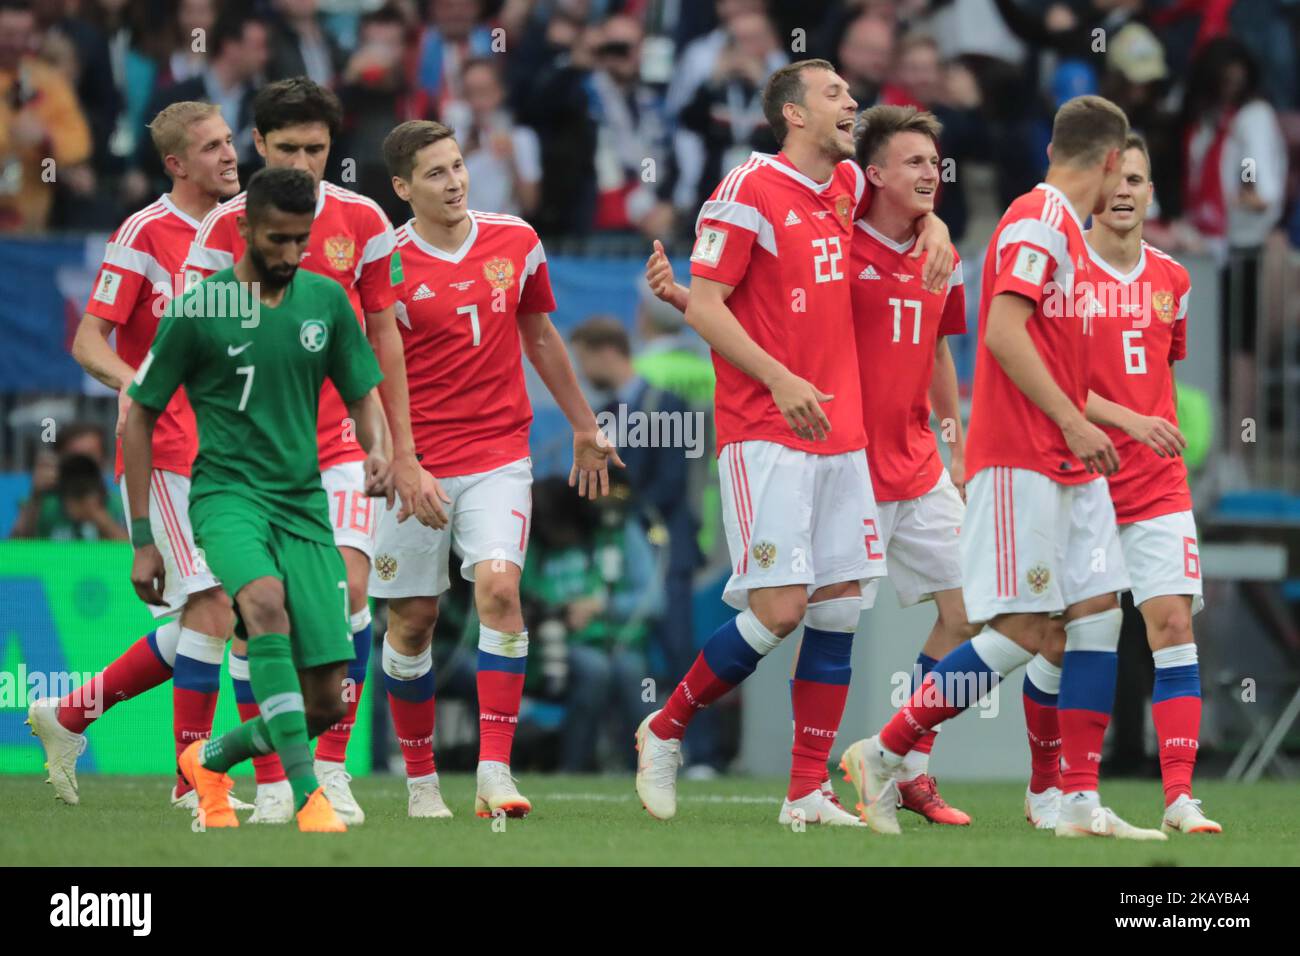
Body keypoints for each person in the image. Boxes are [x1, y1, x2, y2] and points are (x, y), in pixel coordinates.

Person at [842, 95, 1173, 841]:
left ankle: (1079, 802)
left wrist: (1084, 423)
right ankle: (885, 748)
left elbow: (1056, 353)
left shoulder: (1069, 236)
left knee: (1096, 617)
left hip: (1068, 460)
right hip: (1022, 458)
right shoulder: (1038, 217)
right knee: (1022, 629)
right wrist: (1069, 419)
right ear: (1112, 160)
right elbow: (999, 330)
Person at [633, 58, 953, 827]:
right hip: (767, 432)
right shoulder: (746, 190)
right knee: (778, 610)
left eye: (850, 90)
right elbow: (710, 307)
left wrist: (937, 221)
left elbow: (911, 195)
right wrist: (778, 377)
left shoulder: (845, 189)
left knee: (839, 607)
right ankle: (665, 727)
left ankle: (806, 790)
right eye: (835, 94)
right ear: (793, 115)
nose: (852, 101)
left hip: (841, 437)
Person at [184, 77, 442, 826]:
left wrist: (395, 445)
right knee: (257, 612)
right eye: (289, 146)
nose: (305, 159)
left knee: (349, 591)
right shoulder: (222, 232)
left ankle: (327, 771)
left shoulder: (363, 220)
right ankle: (266, 779)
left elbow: (385, 333)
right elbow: (203, 348)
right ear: (257, 146)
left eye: (318, 148)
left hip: (337, 443)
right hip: (249, 460)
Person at [124, 166, 392, 834]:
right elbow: (139, 414)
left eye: (300, 240)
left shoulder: (326, 302)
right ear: (243, 229)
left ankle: (209, 758)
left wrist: (378, 446)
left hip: (302, 503)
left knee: (328, 698)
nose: (289, 254)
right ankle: (308, 800)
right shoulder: (198, 308)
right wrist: (141, 538)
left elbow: (363, 389)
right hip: (227, 496)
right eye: (276, 239)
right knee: (264, 606)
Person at [369, 119, 621, 819]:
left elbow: (539, 336)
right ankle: (420, 783)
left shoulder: (516, 240)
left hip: (497, 456)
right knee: (414, 623)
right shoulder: (382, 262)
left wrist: (582, 426)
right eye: (435, 174)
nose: (454, 183)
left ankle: (493, 774)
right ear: (401, 188)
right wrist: (398, 456)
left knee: (501, 591)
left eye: (458, 167)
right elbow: (369, 369)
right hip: (415, 466)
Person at [26, 102, 246, 811]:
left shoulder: (248, 226)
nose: (229, 155)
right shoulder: (146, 233)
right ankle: (193, 786)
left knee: (218, 613)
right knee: (214, 606)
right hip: (167, 448)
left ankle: (69, 714)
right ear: (176, 163)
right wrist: (137, 383)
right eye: (211, 147)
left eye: (229, 141)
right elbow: (90, 340)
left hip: (233, 454)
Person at [1069, 134, 1220, 833]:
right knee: (1070, 634)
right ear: (1095, 192)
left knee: (1174, 624)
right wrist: (1131, 418)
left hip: (1157, 486)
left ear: (1151, 191)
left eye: (1138, 178)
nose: (1125, 190)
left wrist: (1146, 423)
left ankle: (1180, 797)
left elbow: (1165, 369)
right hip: (1085, 482)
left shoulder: (1173, 281)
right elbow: (1059, 383)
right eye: (1114, 179)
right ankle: (1069, 790)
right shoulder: (1067, 273)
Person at [0, 0, 92, 233]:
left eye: (24, 35)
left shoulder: (49, 82)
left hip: (33, 218)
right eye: (8, 35)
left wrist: (46, 139)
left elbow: (78, 143)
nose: (17, 44)